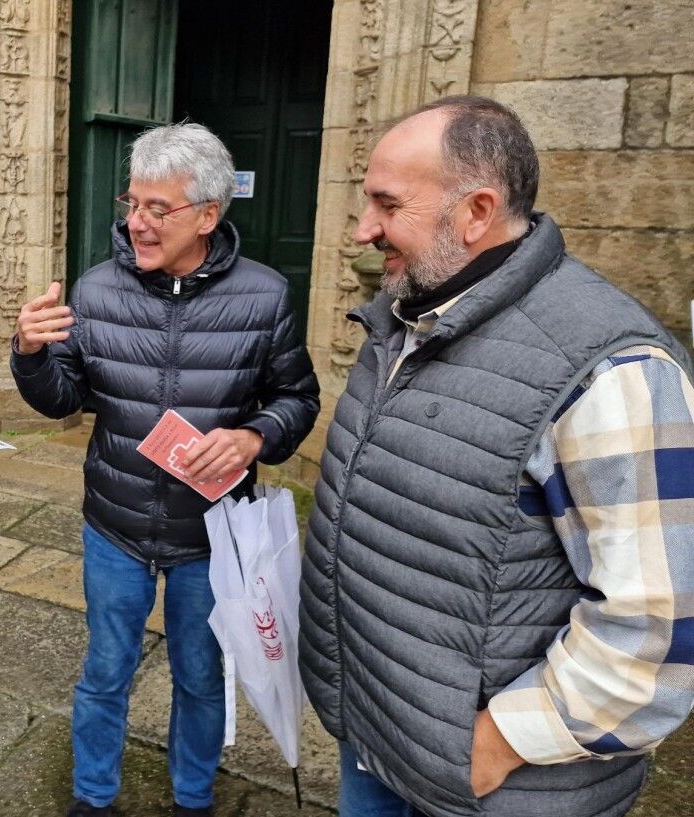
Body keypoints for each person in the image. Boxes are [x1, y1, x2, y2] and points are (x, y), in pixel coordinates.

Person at [299, 95, 694, 817]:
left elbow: (657, 634)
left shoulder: (612, 371)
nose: (364, 230)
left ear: (475, 211)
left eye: (387, 204)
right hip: (382, 743)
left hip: (493, 787)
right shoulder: (405, 320)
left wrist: (495, 747)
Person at [11, 123, 320, 817]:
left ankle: (192, 798)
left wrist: (254, 437)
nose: (138, 222)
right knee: (105, 669)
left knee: (202, 675)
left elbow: (298, 398)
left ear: (208, 215)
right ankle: (93, 798)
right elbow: (62, 397)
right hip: (115, 524)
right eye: (133, 203)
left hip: (209, 534)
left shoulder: (264, 297)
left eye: (159, 208)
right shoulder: (95, 291)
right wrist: (30, 353)